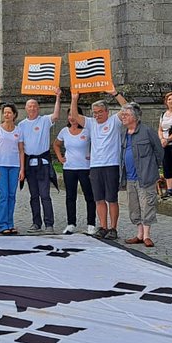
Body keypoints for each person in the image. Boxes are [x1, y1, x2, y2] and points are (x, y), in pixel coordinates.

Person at [69, 88, 130, 239]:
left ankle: (113, 228)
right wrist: (74, 98)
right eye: (94, 112)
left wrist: (115, 93)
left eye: (99, 112)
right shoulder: (90, 123)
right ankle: (103, 226)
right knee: (99, 199)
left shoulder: (114, 121)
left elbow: (127, 108)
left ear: (107, 112)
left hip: (111, 165)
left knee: (112, 198)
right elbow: (75, 115)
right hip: (95, 166)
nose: (97, 115)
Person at [119, 103, 163, 247]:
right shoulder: (123, 133)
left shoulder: (147, 131)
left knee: (147, 204)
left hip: (145, 175)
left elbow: (159, 152)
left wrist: (152, 168)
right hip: (130, 177)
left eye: (126, 115)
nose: (123, 117)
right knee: (134, 206)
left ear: (135, 117)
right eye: (122, 115)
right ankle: (139, 234)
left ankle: (147, 235)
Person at [20, 87, 63, 233]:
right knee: (33, 196)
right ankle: (36, 223)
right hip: (30, 164)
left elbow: (56, 115)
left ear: (38, 108)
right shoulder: (22, 125)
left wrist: (58, 97)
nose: (32, 108)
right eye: (29, 106)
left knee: (45, 195)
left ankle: (49, 224)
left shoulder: (44, 120)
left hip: (43, 164)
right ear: (26, 109)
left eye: (34, 106)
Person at [54, 105, 94, 235]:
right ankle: (71, 223)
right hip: (69, 168)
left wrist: (92, 155)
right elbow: (56, 144)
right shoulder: (64, 131)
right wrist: (60, 157)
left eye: (74, 115)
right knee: (70, 197)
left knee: (89, 196)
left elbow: (97, 143)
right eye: (69, 115)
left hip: (85, 168)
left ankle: (91, 224)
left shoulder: (88, 130)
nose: (72, 118)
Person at [0, 103, 25, 235]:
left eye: (9, 112)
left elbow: (21, 150)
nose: (7, 115)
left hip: (14, 166)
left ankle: (10, 223)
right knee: (3, 195)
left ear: (14, 114)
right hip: (1, 165)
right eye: (4, 112)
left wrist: (22, 169)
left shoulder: (18, 130)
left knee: (12, 195)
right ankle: (3, 224)